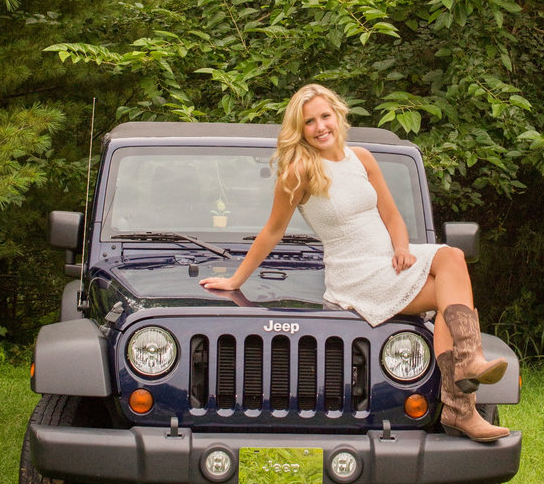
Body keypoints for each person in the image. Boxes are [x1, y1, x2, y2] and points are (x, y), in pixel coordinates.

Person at [200, 83, 509, 442]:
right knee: (450, 288)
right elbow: (273, 230)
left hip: (387, 261)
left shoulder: (361, 158)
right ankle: (462, 404)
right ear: (300, 130)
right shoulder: (300, 172)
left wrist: (402, 248)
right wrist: (235, 279)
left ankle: (466, 376)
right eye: (309, 122)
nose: (320, 127)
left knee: (452, 259)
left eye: (324, 116)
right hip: (355, 274)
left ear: (338, 114)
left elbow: (391, 215)